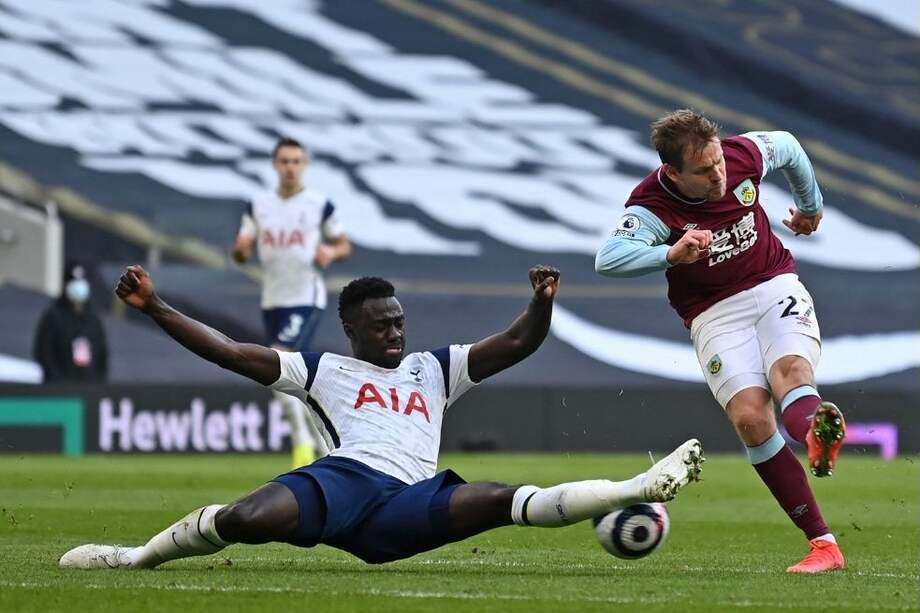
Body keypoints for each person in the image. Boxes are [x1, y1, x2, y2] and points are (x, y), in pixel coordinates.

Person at [59, 264, 703, 570]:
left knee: (496, 499)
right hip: (343, 479)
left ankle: (639, 487)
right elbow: (228, 352)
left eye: (398, 321)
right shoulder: (322, 370)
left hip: (408, 501)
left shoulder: (433, 367)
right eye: (381, 324)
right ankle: (135, 558)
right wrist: (154, 306)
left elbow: (514, 345)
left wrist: (541, 304)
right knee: (246, 520)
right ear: (352, 329)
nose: (395, 332)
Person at [595, 109, 846, 573]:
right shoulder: (651, 205)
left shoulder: (742, 154)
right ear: (672, 172)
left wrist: (809, 207)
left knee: (789, 372)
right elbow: (608, 259)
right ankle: (824, 546)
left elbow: (787, 146)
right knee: (750, 417)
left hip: (774, 283)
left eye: (718, 162)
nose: (719, 175)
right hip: (713, 312)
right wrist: (667, 253)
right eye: (704, 170)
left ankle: (816, 434)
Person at [232, 137, 353, 468]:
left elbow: (344, 244)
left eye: (296, 161)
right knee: (293, 377)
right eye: (284, 161)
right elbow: (241, 250)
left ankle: (302, 444)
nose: (290, 167)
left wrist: (331, 251)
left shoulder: (318, 204)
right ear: (275, 165)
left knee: (279, 362)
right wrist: (241, 249)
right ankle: (328, 450)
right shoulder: (258, 205)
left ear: (305, 165)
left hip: (306, 297)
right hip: (273, 299)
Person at [33, 261, 108, 383]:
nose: (78, 288)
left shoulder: (93, 319)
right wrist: (56, 379)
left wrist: (99, 380)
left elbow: (102, 354)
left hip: (90, 386)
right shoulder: (53, 316)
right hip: (61, 388)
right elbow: (43, 352)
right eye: (74, 284)